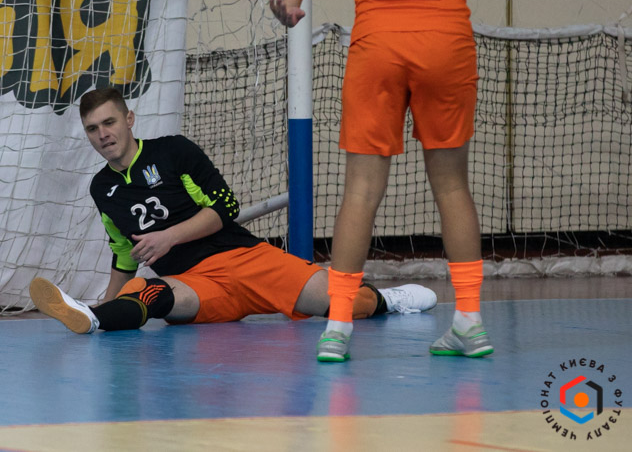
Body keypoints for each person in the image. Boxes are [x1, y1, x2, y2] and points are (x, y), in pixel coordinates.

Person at [269, 0, 494, 362]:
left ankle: (338, 328)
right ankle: (469, 322)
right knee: (452, 184)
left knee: (361, 189)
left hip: (377, 43)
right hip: (444, 37)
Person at [29, 86, 436, 335]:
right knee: (146, 293)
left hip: (245, 259)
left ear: (129, 118)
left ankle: (388, 299)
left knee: (339, 304)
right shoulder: (102, 188)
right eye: (93, 128)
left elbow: (226, 206)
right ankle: (95, 317)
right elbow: (124, 255)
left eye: (109, 122)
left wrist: (169, 237)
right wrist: (107, 301)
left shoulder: (173, 151)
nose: (103, 134)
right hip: (194, 286)